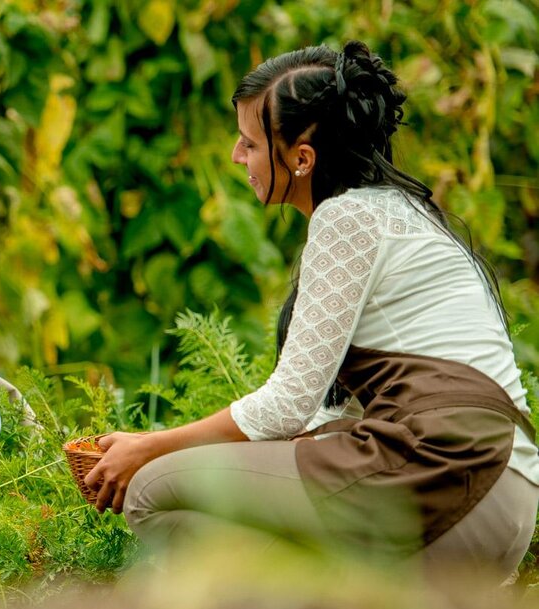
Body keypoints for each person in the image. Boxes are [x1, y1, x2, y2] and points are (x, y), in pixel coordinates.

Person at [85, 41, 539, 576]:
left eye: (249, 143)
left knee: (153, 488)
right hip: (501, 495)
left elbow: (285, 407)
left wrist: (151, 447)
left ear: (302, 159)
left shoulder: (347, 219)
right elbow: (331, 416)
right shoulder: (401, 214)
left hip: (448, 475)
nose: (236, 156)